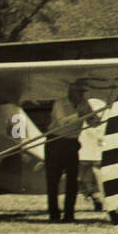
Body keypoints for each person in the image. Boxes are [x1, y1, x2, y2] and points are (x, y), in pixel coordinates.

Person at [45, 84, 97, 223]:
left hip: (72, 143)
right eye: (78, 92)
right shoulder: (60, 103)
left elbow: (93, 122)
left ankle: (69, 214)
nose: (80, 95)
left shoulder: (83, 103)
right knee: (53, 181)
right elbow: (63, 122)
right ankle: (54, 214)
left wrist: (94, 117)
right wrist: (80, 114)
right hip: (55, 142)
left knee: (72, 181)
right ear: (70, 92)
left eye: (82, 92)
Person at [78, 95, 106, 212]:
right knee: (85, 178)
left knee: (89, 177)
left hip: (91, 149)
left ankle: (99, 199)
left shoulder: (98, 104)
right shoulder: (99, 103)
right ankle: (97, 198)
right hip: (87, 148)